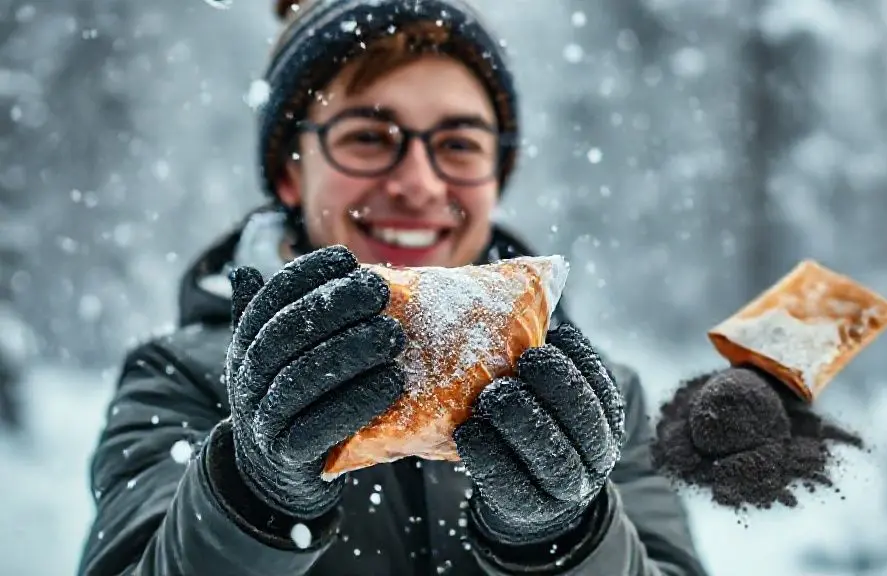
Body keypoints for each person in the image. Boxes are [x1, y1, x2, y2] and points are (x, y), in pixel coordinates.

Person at [76, 1, 711, 574]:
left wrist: (561, 541)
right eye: (368, 137)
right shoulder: (179, 377)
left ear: (497, 176)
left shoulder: (600, 399)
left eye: (459, 144)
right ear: (290, 173)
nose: (420, 184)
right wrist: (255, 496)